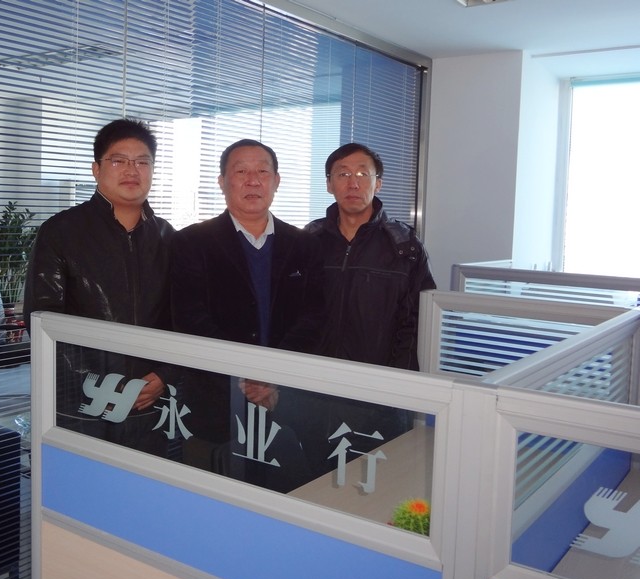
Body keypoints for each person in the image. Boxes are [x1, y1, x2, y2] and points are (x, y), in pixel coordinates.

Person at [170, 139, 326, 490]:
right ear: (222, 181)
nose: (253, 180)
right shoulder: (191, 242)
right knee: (210, 500)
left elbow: (314, 316)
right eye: (241, 171)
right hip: (215, 401)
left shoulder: (305, 244)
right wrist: (245, 374)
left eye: (262, 171)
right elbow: (190, 318)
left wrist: (273, 376)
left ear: (277, 181)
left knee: (289, 497)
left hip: (286, 399)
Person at [23, 118, 175, 456]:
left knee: (145, 484)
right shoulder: (61, 232)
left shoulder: (168, 237)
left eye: (142, 162)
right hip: (83, 405)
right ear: (96, 169)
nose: (131, 170)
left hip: (150, 402)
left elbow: (180, 318)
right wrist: (98, 385)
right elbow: (44, 321)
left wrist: (164, 375)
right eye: (118, 160)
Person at [304, 142, 436, 445]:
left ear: (378, 183)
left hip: (378, 394)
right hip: (312, 387)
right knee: (311, 468)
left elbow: (417, 324)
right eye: (342, 174)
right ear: (329, 184)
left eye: (363, 174)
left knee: (379, 470)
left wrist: (395, 386)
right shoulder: (309, 241)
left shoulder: (404, 247)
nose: (353, 183)